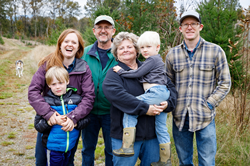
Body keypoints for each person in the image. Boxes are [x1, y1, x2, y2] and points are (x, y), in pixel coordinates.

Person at [165, 10, 231, 166]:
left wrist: (209, 103)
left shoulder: (215, 51)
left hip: (205, 117)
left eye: (193, 24)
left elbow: (225, 82)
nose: (189, 27)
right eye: (185, 24)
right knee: (184, 162)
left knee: (207, 162)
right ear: (180, 28)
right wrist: (171, 105)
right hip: (180, 117)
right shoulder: (172, 54)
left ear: (200, 26)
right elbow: (167, 83)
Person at [102, 32, 177, 166]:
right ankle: (127, 146)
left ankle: (166, 159)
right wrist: (146, 109)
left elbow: (170, 88)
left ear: (137, 50)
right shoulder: (114, 73)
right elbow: (118, 96)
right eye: (121, 48)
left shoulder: (151, 66)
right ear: (116, 53)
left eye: (129, 46)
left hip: (152, 136)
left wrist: (168, 104)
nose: (125, 50)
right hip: (122, 137)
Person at [28, 29, 95, 166]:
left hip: (70, 125)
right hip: (50, 123)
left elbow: (89, 97)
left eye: (74, 42)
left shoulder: (83, 68)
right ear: (60, 44)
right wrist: (49, 114)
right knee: (42, 160)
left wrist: (73, 118)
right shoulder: (47, 64)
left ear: (78, 47)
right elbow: (33, 91)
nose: (69, 45)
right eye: (66, 41)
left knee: (67, 160)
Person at [34, 66, 91, 166]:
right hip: (53, 148)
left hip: (69, 146)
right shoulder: (45, 102)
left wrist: (76, 123)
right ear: (48, 85)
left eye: (61, 82)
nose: (58, 87)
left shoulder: (76, 99)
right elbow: (38, 125)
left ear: (67, 81)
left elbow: (86, 120)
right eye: (54, 84)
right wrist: (50, 121)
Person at [80, 15, 117, 166]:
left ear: (113, 31)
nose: (103, 30)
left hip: (111, 112)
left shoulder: (120, 53)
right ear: (94, 31)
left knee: (111, 150)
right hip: (88, 112)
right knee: (88, 149)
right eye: (99, 27)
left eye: (107, 27)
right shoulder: (84, 53)